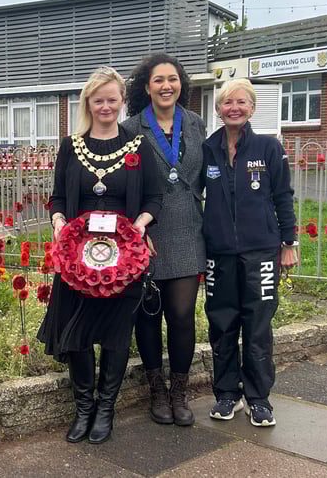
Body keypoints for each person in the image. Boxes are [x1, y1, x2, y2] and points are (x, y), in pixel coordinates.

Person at [38, 66, 163, 444]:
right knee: (76, 332)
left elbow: (156, 197)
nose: (105, 106)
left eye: (112, 99)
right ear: (88, 103)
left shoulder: (138, 147)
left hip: (123, 260)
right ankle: (84, 407)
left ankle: (105, 409)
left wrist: (140, 224)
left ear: (122, 102)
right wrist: (59, 219)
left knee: (114, 335)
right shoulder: (69, 146)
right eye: (98, 100)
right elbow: (58, 196)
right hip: (77, 258)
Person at [201, 78, 298, 427]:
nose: (234, 108)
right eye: (227, 102)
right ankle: (227, 394)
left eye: (241, 102)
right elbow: (190, 193)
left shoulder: (269, 148)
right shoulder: (208, 148)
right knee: (222, 324)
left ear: (252, 108)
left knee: (257, 327)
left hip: (261, 251)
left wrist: (289, 243)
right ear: (218, 109)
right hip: (219, 253)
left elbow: (283, 197)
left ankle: (259, 399)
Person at [122, 53, 206, 426]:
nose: (166, 85)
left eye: (172, 79)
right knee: (148, 315)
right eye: (158, 80)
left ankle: (179, 391)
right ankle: (157, 389)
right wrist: (134, 228)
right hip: (148, 232)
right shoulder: (129, 128)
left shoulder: (196, 124)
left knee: (183, 315)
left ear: (181, 84)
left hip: (188, 229)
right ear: (146, 86)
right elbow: (122, 186)